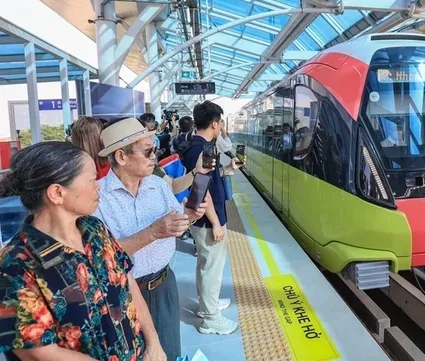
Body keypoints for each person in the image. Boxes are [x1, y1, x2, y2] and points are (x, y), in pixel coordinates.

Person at [0, 141, 166, 361]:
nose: (98, 186)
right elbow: (37, 350)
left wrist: (153, 342)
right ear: (57, 193)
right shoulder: (17, 265)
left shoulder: (94, 229)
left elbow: (126, 280)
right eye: (91, 180)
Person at [92, 118, 209, 360]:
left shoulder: (158, 185)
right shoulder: (97, 198)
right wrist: (153, 232)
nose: (154, 156)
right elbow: (101, 256)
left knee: (169, 351)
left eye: (154, 147)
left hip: (164, 284)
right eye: (148, 151)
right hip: (122, 294)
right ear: (122, 157)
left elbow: (175, 225)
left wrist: (190, 215)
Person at [180, 101, 243, 335]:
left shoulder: (201, 147)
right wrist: (216, 223)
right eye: (220, 124)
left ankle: (209, 303)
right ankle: (210, 318)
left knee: (206, 264)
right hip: (208, 220)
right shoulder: (200, 150)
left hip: (205, 218)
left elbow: (210, 178)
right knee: (212, 269)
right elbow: (202, 190)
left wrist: (227, 170)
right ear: (215, 123)